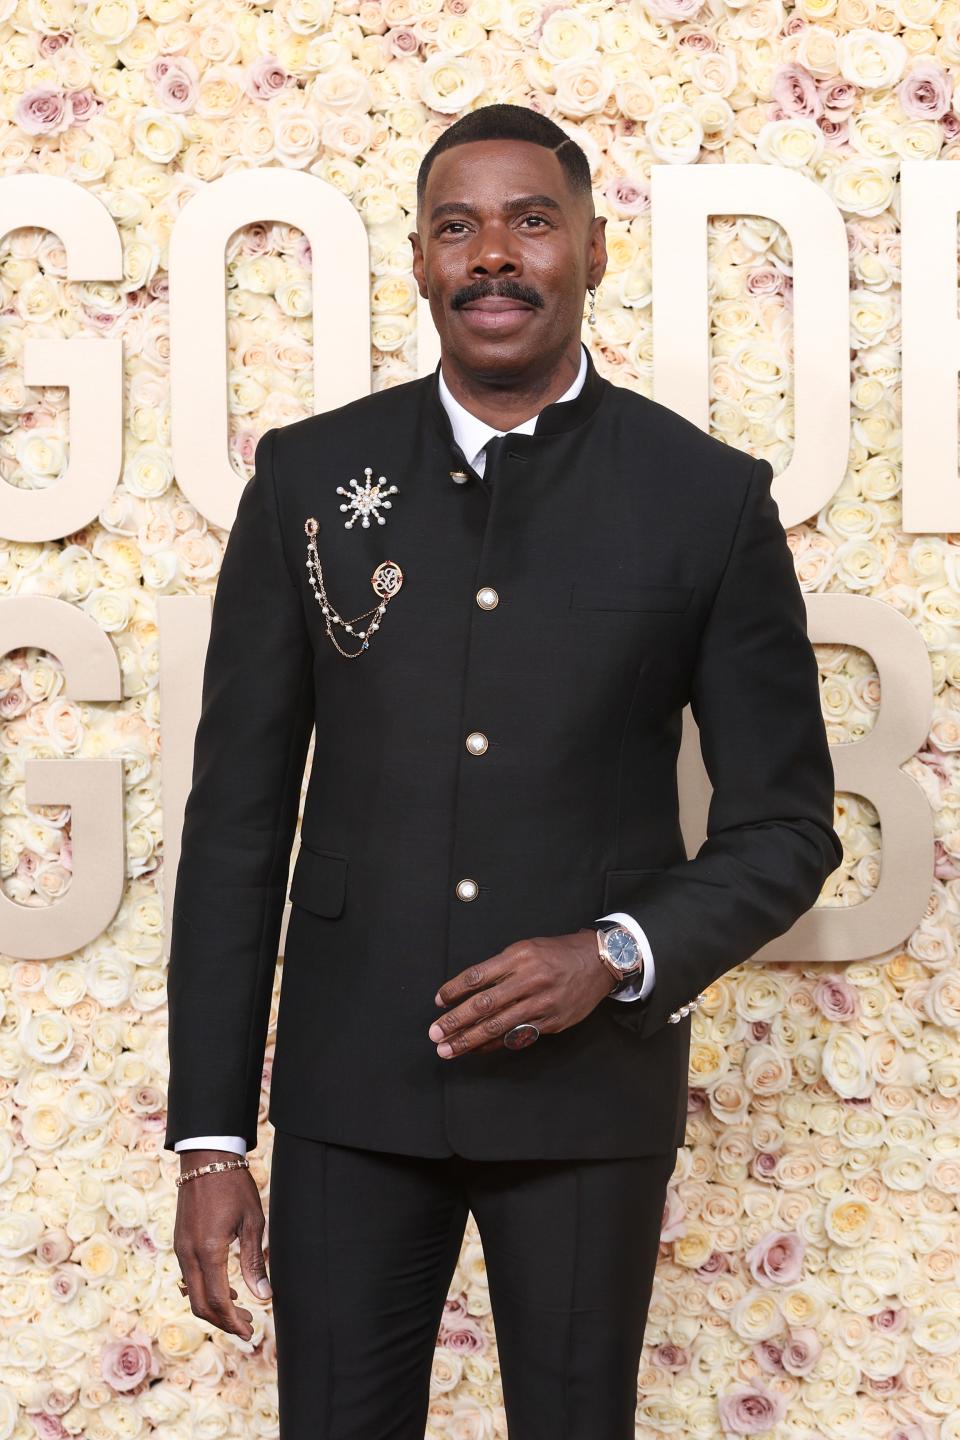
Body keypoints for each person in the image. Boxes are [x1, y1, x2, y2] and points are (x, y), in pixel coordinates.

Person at [165, 103, 842, 1439]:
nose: (496, 256)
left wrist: (617, 951)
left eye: (532, 222)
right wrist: (212, 1139)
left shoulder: (706, 497)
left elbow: (786, 827)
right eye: (459, 227)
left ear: (594, 249)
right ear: (418, 261)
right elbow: (240, 821)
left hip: (588, 1102)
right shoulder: (311, 477)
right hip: (350, 1098)